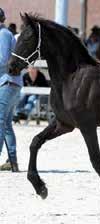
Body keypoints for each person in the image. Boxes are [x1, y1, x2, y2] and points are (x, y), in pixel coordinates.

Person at [0, 8, 22, 172]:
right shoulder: (5, 34)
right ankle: (12, 161)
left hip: (7, 83)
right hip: (11, 83)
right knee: (6, 124)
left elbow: (3, 59)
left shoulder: (3, 34)